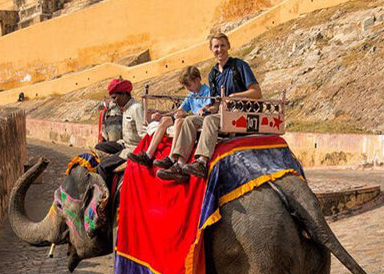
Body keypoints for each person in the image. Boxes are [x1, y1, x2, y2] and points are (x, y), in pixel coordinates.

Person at [158, 33, 261, 182]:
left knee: (210, 120)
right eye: (216, 46)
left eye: (222, 45)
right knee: (190, 120)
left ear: (228, 46)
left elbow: (257, 92)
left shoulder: (239, 66)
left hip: (240, 113)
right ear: (211, 49)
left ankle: (202, 162)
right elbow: (216, 104)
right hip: (223, 113)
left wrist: (235, 96)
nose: (219, 49)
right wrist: (208, 109)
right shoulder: (213, 73)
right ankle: (180, 164)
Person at [127, 66, 210, 169]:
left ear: (197, 80)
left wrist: (185, 115)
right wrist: (161, 114)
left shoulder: (208, 92)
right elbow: (179, 110)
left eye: (188, 85)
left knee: (179, 121)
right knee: (165, 120)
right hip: (190, 119)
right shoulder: (191, 95)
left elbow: (206, 113)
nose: (187, 88)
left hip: (198, 122)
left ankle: (172, 157)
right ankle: (148, 155)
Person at [94, 78, 146, 176]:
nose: (113, 102)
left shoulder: (136, 108)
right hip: (124, 143)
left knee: (102, 166)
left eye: (115, 98)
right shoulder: (125, 108)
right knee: (98, 147)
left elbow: (143, 134)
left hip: (133, 149)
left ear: (124, 94)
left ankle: (106, 185)